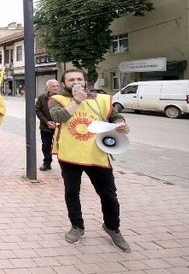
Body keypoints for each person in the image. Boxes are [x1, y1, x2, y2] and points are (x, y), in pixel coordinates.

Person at [49, 69, 131, 252]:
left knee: (109, 195)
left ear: (85, 81)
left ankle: (112, 227)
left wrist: (122, 124)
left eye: (79, 79)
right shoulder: (58, 99)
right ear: (64, 84)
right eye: (71, 80)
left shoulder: (100, 99)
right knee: (72, 193)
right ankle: (77, 227)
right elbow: (59, 116)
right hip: (70, 155)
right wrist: (77, 99)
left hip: (97, 154)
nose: (75, 82)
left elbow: (114, 115)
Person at [36, 79, 60, 171]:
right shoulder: (42, 97)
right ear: (48, 87)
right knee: (46, 145)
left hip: (60, 126)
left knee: (62, 146)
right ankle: (47, 163)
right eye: (53, 86)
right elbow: (38, 110)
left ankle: (64, 165)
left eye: (57, 86)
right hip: (46, 127)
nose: (56, 88)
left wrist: (58, 122)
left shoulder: (63, 97)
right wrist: (47, 122)